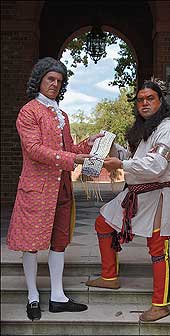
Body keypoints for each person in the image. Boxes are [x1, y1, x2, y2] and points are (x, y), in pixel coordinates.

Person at [6, 57, 103, 321]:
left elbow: (68, 151)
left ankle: (58, 296)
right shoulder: (29, 112)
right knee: (31, 244)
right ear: (39, 80)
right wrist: (73, 159)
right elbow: (34, 150)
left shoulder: (62, 114)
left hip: (61, 188)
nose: (55, 84)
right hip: (36, 188)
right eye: (50, 79)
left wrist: (87, 144)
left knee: (59, 242)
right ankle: (33, 296)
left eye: (59, 81)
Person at [86, 80, 170, 322]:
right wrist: (109, 148)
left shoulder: (168, 128)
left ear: (161, 101)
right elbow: (134, 158)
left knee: (158, 247)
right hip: (138, 195)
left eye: (150, 98)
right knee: (104, 223)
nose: (144, 103)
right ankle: (110, 277)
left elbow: (156, 165)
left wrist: (121, 164)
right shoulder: (147, 128)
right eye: (140, 100)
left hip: (160, 195)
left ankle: (160, 304)